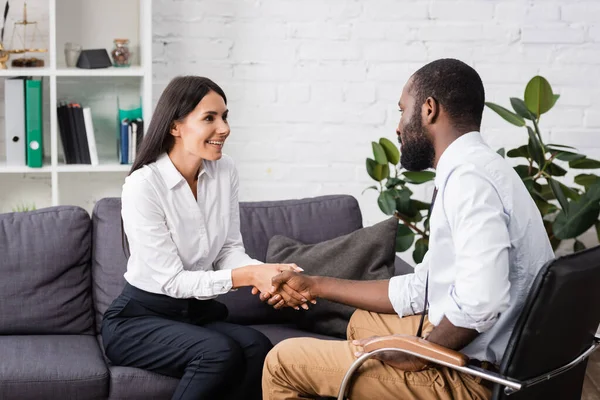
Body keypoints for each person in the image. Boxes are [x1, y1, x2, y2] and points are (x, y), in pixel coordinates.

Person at [260, 59, 555, 400]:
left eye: (402, 111)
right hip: (497, 351)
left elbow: (481, 302)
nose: (399, 127)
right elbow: (422, 287)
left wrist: (418, 352)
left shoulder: (468, 182)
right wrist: (316, 284)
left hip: (473, 378)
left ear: (428, 109)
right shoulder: (486, 166)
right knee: (361, 322)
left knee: (281, 362)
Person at [100, 76, 307, 400]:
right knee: (218, 352)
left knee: (257, 347)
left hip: (194, 315)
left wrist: (270, 275)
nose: (223, 128)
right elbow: (172, 281)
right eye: (210, 118)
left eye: (225, 117)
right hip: (138, 320)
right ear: (175, 127)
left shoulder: (225, 171)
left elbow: (228, 249)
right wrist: (250, 275)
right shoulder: (143, 185)